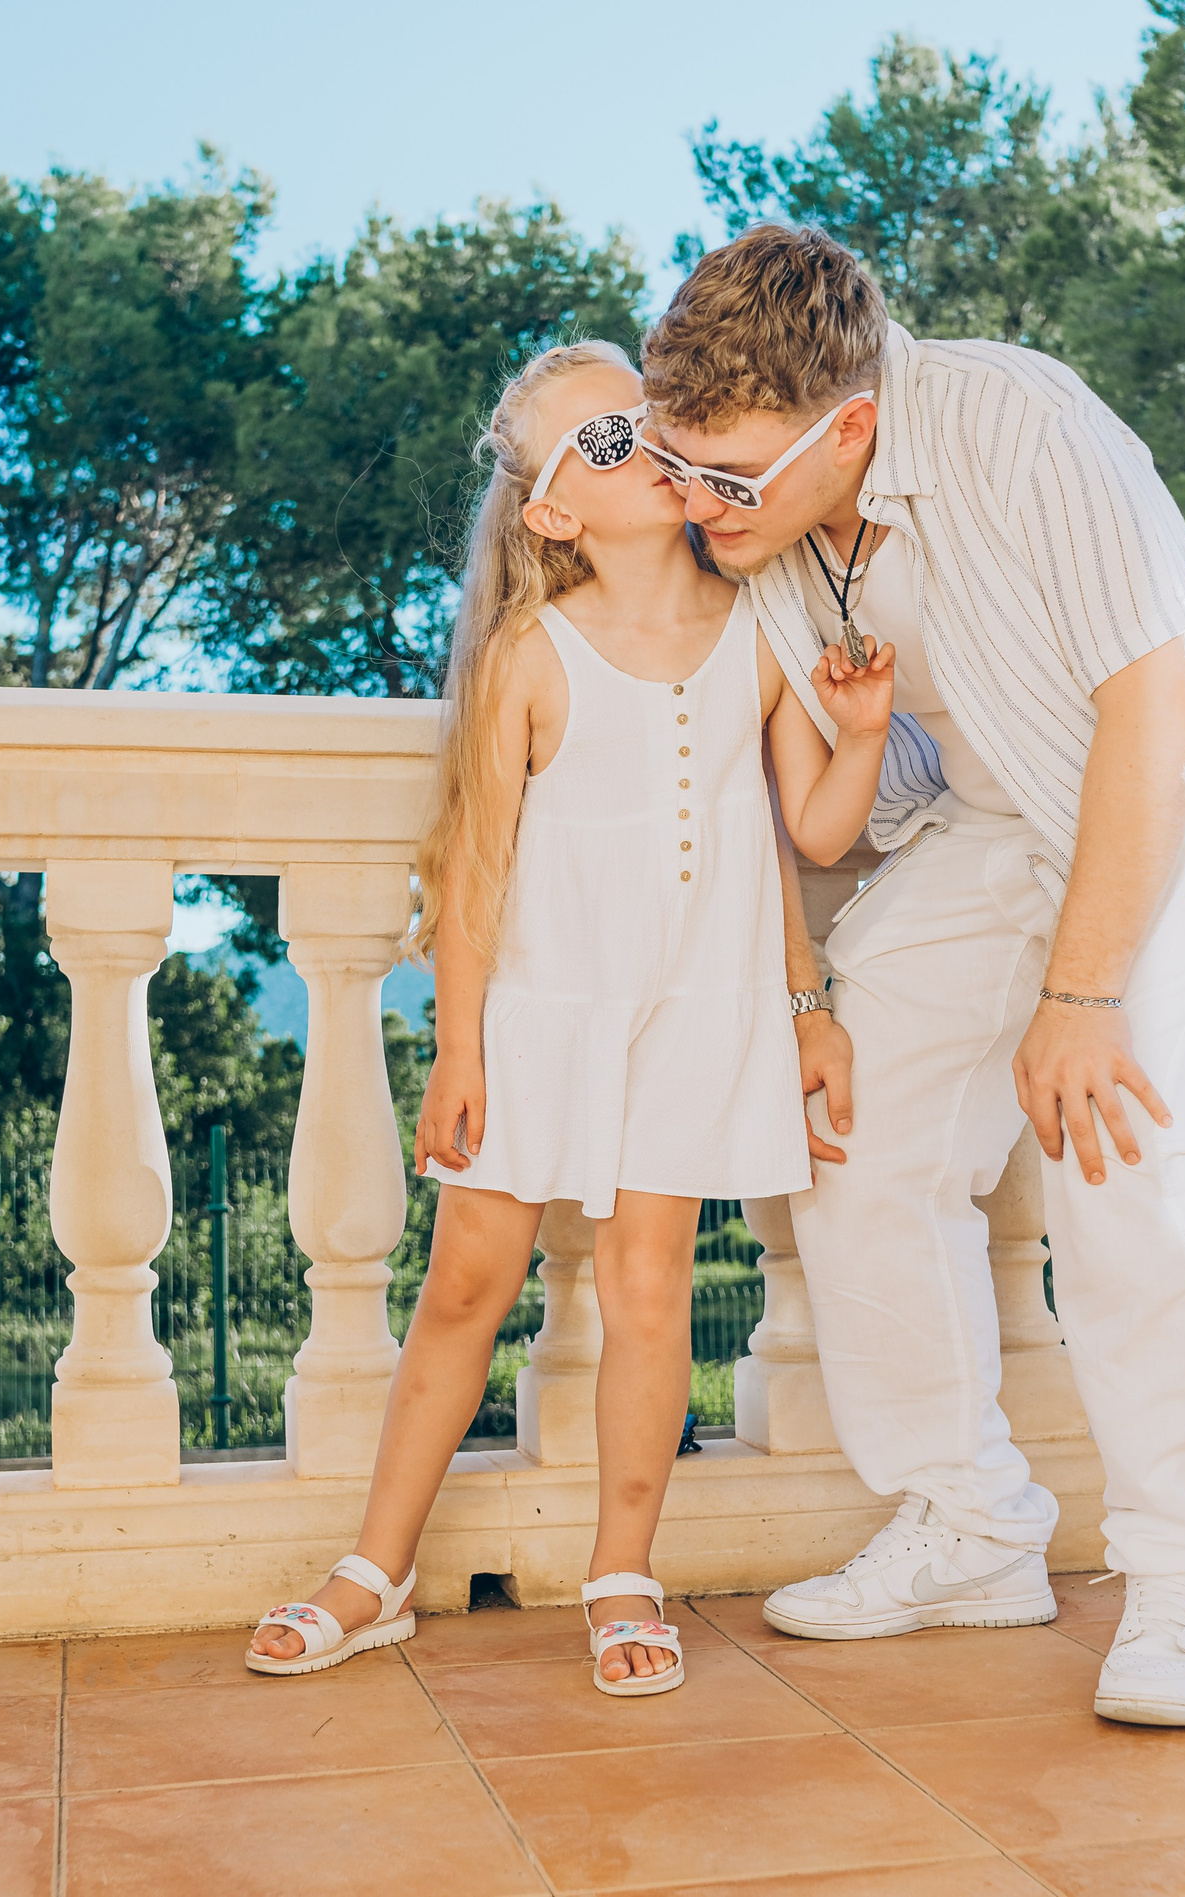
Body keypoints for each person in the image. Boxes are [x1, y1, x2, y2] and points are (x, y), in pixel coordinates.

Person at [638, 225, 1185, 1727]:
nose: (695, 504)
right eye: (673, 463)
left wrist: (1082, 998)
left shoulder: (1018, 424)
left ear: (851, 428)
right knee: (852, 1126)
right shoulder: (748, 527)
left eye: (730, 478)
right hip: (999, 812)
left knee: (1117, 1139)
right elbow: (769, 791)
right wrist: (809, 1000)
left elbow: (1163, 699)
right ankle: (970, 1527)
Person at [245, 339, 896, 1696]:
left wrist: (867, 734)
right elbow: (474, 873)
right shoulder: (529, 658)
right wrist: (460, 1049)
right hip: (543, 1018)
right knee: (465, 1286)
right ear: (552, 513)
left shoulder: (763, 631)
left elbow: (809, 836)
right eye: (608, 443)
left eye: (651, 422)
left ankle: (622, 1572)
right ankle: (376, 1567)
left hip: (697, 1015)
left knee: (651, 1291)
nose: (647, 448)